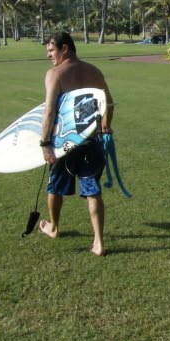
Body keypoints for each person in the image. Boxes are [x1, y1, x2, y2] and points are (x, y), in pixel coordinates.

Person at [38, 32, 115, 256]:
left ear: (65, 49)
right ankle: (98, 242)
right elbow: (109, 103)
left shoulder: (55, 74)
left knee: (55, 187)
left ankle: (54, 227)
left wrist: (45, 143)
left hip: (64, 143)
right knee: (93, 191)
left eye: (51, 50)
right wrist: (105, 126)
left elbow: (49, 111)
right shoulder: (94, 71)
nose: (49, 55)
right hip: (90, 140)